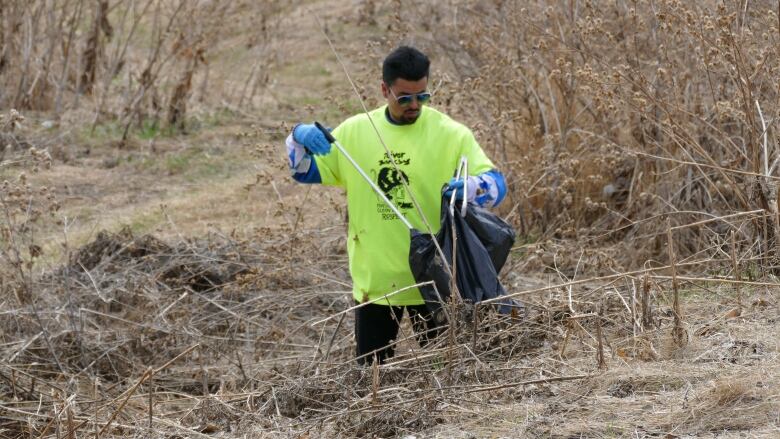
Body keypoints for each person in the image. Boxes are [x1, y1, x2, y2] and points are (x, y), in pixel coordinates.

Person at [286, 46, 507, 364]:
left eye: (422, 96)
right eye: (404, 97)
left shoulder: (451, 134)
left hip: (435, 279)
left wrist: (477, 187)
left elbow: (498, 186)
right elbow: (303, 171)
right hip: (376, 283)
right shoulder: (356, 132)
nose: (414, 105)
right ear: (384, 90)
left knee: (445, 376)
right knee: (369, 376)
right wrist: (297, 137)